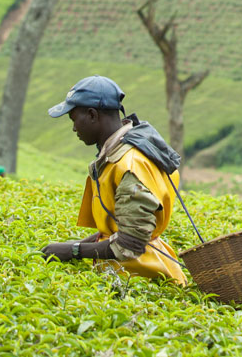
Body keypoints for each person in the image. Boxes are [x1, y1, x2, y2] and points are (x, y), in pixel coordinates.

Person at [39, 76, 187, 286]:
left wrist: (73, 251)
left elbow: (130, 244)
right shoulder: (123, 154)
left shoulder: (130, 165)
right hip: (136, 270)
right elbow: (116, 229)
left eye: (74, 119)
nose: (74, 129)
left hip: (142, 278)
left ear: (92, 115)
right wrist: (72, 245)